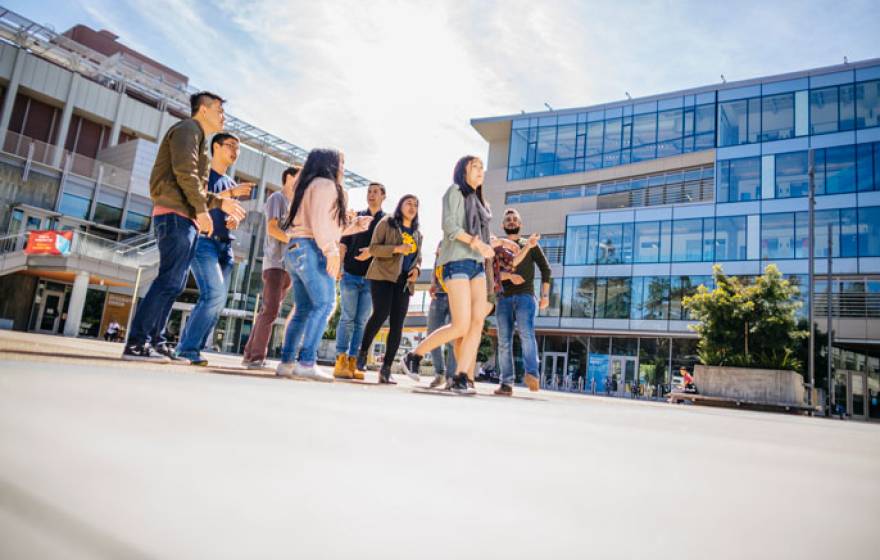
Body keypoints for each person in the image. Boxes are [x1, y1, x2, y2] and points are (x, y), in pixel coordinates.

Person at [122, 91, 245, 362]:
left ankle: (156, 341)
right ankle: (137, 343)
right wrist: (203, 212)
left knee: (174, 283)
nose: (223, 116)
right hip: (175, 214)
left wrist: (218, 204)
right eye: (219, 110)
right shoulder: (188, 129)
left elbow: (196, 186)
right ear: (203, 109)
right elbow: (185, 175)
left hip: (184, 216)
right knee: (168, 280)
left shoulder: (198, 139)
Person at [275, 148, 371, 381]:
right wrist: (332, 253)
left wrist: (355, 226)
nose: (344, 168)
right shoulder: (327, 186)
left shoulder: (305, 185)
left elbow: (320, 223)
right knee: (326, 304)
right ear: (331, 164)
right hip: (312, 249)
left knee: (303, 309)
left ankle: (287, 361)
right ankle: (307, 361)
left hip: (295, 248)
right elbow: (321, 225)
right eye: (342, 162)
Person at [402, 156, 495, 394]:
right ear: (462, 171)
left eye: (482, 167)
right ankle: (414, 355)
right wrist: (478, 244)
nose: (480, 171)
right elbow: (450, 227)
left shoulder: (482, 203)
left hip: (478, 266)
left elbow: (484, 237)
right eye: (475, 166)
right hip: (456, 262)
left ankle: (462, 376)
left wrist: (488, 245)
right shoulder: (455, 191)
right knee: (461, 325)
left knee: (476, 323)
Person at [175, 133, 254, 365]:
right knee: (214, 295)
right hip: (203, 242)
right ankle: (187, 349)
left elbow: (231, 212)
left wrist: (234, 220)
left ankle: (192, 348)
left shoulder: (230, 181)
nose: (235, 152)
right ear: (216, 147)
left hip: (225, 246)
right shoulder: (202, 172)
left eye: (238, 148)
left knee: (217, 301)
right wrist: (229, 195)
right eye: (231, 146)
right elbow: (197, 199)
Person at [356, 195, 422, 384]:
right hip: (383, 276)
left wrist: (416, 269)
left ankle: (386, 369)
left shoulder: (418, 233)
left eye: (416, 205)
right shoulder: (387, 223)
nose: (412, 207)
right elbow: (374, 249)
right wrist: (397, 248)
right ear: (400, 205)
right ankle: (362, 355)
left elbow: (418, 257)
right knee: (380, 313)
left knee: (397, 324)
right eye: (408, 203)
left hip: (403, 282)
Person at [240, 166, 300, 368]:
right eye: (301, 177)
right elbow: (272, 228)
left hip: (288, 267)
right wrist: (293, 240)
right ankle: (257, 357)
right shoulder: (277, 198)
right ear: (289, 178)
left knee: (268, 311)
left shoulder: (296, 205)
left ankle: (249, 354)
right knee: (270, 311)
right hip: (275, 263)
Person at [493, 208, 552, 396]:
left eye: (514, 219)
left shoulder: (530, 244)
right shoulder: (497, 246)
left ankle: (532, 374)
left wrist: (545, 296)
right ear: (503, 225)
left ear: (520, 224)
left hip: (526, 297)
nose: (511, 221)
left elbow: (546, 269)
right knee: (503, 341)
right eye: (508, 219)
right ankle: (506, 384)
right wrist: (509, 277)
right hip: (503, 298)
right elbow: (493, 274)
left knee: (526, 333)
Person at [333, 182, 386, 379]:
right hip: (350, 274)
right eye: (369, 192)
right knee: (347, 317)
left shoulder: (387, 221)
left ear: (383, 196)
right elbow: (343, 243)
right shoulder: (357, 216)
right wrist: (339, 267)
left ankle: (353, 361)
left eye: (375, 192)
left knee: (361, 321)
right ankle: (340, 360)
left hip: (372, 279)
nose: (371, 195)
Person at [426, 243, 456, 388]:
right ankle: (440, 373)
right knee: (432, 334)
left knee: (453, 337)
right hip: (438, 294)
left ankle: (451, 377)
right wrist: (432, 283)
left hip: (455, 296)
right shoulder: (442, 241)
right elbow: (436, 264)